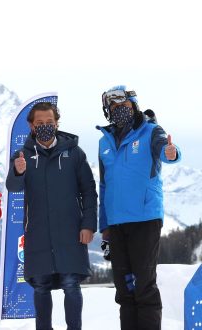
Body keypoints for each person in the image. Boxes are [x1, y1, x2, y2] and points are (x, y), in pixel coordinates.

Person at [6, 102, 97, 330]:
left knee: (71, 285)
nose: (45, 127)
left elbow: (89, 190)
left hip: (70, 231)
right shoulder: (22, 155)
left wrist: (88, 225)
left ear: (57, 123)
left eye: (49, 122)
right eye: (40, 124)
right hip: (38, 233)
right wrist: (18, 171)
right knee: (41, 286)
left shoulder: (74, 153)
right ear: (31, 126)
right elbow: (13, 187)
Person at [98, 85, 181, 329]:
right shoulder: (104, 142)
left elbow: (166, 152)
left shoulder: (151, 131)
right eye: (113, 107)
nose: (119, 110)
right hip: (116, 223)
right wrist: (105, 226)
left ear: (133, 105)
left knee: (144, 286)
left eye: (123, 106)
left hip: (145, 219)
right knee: (125, 290)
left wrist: (171, 152)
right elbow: (104, 187)